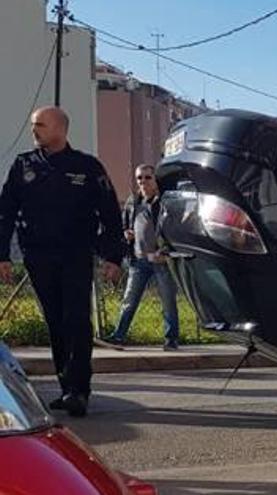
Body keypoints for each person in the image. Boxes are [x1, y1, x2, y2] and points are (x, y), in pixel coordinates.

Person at [0, 106, 124, 417]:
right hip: (38, 256)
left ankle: (79, 390)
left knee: (76, 319)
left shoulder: (86, 167)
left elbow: (110, 213)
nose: (34, 130)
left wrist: (113, 256)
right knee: (55, 321)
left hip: (75, 256)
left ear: (60, 129)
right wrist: (1, 255)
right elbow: (5, 213)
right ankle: (65, 383)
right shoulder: (23, 166)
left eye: (40, 124)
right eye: (33, 125)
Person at [103, 164, 179, 351]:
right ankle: (118, 336)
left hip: (160, 259)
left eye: (147, 177)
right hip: (138, 260)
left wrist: (167, 250)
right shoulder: (133, 201)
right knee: (129, 299)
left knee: (168, 301)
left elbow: (174, 228)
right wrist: (126, 233)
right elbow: (124, 225)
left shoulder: (163, 202)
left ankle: (171, 339)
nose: (143, 182)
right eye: (139, 178)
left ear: (155, 179)